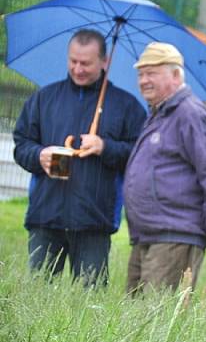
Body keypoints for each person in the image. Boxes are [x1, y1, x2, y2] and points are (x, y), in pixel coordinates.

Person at [13, 29, 146, 286]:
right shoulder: (44, 98)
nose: (78, 68)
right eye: (73, 61)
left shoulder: (126, 106)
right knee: (36, 295)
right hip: (45, 215)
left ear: (104, 62)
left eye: (85, 63)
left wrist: (105, 147)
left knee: (89, 300)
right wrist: (39, 155)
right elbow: (21, 145)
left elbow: (140, 156)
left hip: (94, 220)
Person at [123, 42, 206, 294]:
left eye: (151, 73)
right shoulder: (160, 114)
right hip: (149, 234)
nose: (143, 80)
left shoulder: (189, 113)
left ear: (175, 75)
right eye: (141, 74)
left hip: (175, 235)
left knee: (156, 321)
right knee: (132, 324)